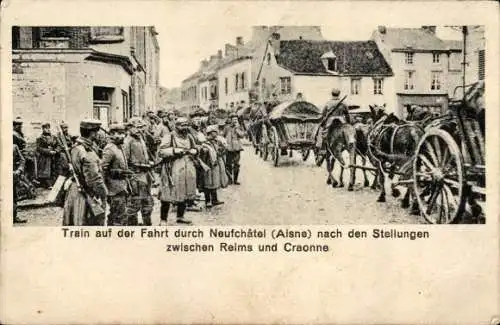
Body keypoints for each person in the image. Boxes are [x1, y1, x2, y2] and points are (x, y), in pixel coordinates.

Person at [63, 119, 108, 226]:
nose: (98, 135)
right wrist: (103, 193)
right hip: (86, 193)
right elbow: (93, 178)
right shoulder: (86, 151)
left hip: (76, 190)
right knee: (88, 224)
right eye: (97, 132)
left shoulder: (77, 147)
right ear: (92, 133)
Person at [157, 117, 198, 225]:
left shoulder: (189, 136)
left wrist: (195, 150)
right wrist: (174, 150)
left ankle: (180, 216)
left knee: (184, 191)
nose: (184, 128)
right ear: (176, 126)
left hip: (187, 166)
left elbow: (195, 147)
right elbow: (161, 151)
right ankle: (163, 219)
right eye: (182, 125)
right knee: (168, 193)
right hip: (172, 168)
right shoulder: (169, 136)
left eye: (186, 125)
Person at [123, 117, 154, 226]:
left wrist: (148, 163)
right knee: (134, 204)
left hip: (145, 175)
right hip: (135, 176)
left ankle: (147, 226)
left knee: (147, 203)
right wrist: (142, 165)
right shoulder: (128, 141)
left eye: (142, 127)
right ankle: (133, 227)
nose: (140, 130)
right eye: (138, 127)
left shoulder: (140, 138)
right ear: (130, 128)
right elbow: (125, 161)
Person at [101, 123, 132, 226]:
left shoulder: (119, 147)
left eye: (123, 133)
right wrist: (119, 172)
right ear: (111, 134)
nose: (123, 136)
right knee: (117, 216)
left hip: (122, 186)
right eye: (120, 133)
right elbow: (103, 170)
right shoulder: (110, 148)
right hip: (114, 189)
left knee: (120, 215)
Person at [315, 88, 350, 155]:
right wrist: (348, 124)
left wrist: (323, 121)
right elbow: (347, 114)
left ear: (332, 94)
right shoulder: (344, 103)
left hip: (330, 121)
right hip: (342, 121)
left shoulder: (328, 103)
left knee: (321, 131)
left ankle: (321, 147)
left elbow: (323, 114)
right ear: (339, 94)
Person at [36, 122, 60, 188]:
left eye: (49, 128)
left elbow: (58, 145)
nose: (48, 129)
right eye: (46, 128)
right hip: (44, 157)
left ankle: (54, 183)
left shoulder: (54, 137)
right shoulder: (40, 138)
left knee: (54, 169)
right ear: (43, 129)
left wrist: (56, 151)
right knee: (45, 170)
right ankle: (47, 184)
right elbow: (39, 148)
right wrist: (49, 152)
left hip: (54, 156)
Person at [223, 114, 245, 185]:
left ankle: (235, 180)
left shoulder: (239, 127)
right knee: (228, 164)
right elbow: (223, 136)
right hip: (229, 149)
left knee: (236, 165)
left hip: (237, 149)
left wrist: (237, 129)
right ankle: (229, 180)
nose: (235, 121)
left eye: (236, 119)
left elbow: (242, 135)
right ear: (231, 120)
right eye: (233, 119)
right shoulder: (227, 127)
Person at [13, 138, 27, 224]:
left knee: (14, 196)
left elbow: (22, 160)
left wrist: (19, 170)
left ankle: (14, 216)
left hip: (13, 175)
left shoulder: (14, 147)